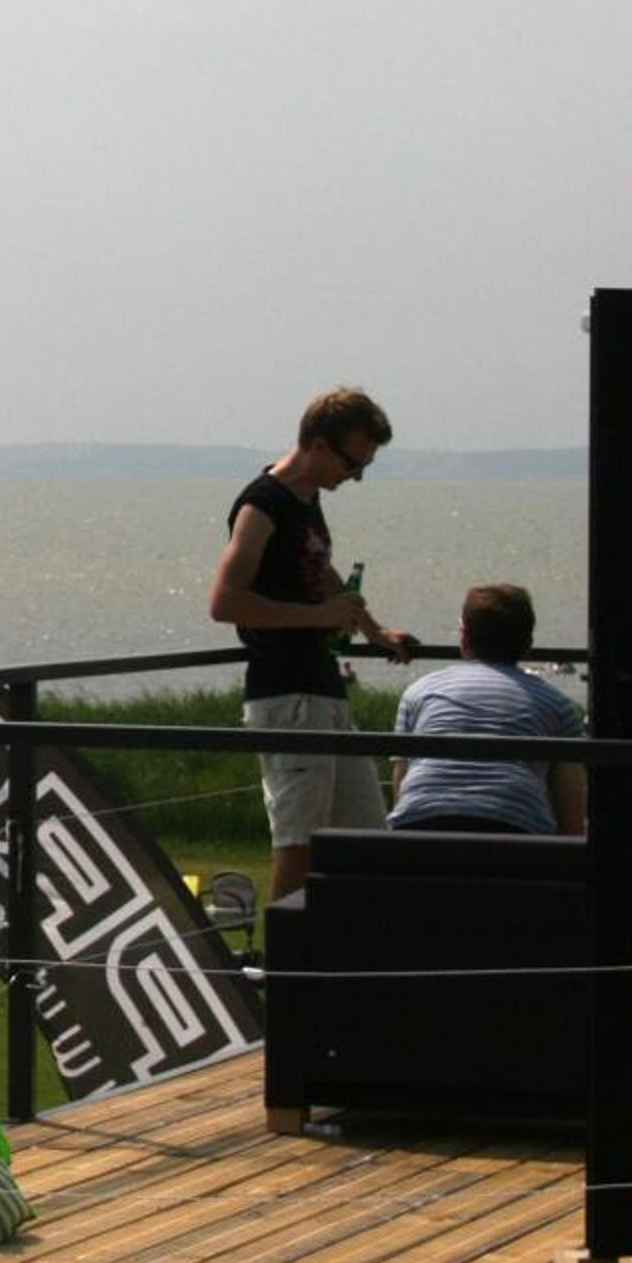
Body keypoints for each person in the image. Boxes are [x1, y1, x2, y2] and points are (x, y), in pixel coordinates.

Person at [208, 386, 419, 905]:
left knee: (366, 837)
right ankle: (286, 954)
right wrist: (316, 617)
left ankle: (348, 945)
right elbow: (225, 601)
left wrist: (373, 630)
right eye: (353, 463)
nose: (356, 477)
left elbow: (320, 570)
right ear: (320, 446)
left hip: (322, 690)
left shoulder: (306, 500)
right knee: (299, 844)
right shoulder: (262, 504)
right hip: (287, 696)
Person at [388, 584, 589, 836]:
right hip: (513, 828)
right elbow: (571, 816)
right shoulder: (556, 703)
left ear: (464, 637)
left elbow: (402, 783)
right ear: (527, 643)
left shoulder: (418, 692)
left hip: (418, 824)